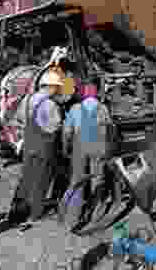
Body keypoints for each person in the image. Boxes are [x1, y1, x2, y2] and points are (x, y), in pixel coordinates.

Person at [7, 69, 65, 227]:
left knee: (26, 177)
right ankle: (35, 213)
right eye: (57, 87)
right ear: (51, 87)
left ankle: (17, 210)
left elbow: (19, 119)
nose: (57, 90)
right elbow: (55, 127)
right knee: (41, 179)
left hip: (29, 143)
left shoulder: (27, 99)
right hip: (43, 146)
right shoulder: (50, 104)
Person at [61, 77, 113, 226]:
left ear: (83, 94)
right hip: (98, 148)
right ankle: (96, 215)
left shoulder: (75, 109)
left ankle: (73, 218)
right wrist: (108, 149)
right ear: (96, 94)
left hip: (80, 148)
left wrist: (65, 148)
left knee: (77, 181)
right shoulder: (103, 109)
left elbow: (66, 132)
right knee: (98, 180)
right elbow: (110, 130)